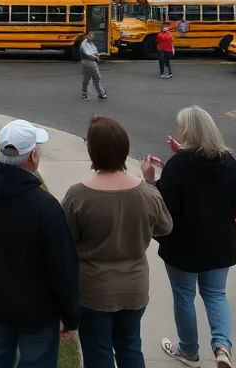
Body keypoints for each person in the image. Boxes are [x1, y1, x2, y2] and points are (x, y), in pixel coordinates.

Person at [0, 120, 80, 368]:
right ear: (32, 157)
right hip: (37, 313)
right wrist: (71, 316)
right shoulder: (44, 207)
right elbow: (63, 268)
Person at [62, 116, 172, 368]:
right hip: (134, 288)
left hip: (94, 290)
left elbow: (66, 241)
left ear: (93, 151)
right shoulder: (148, 193)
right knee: (130, 346)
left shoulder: (78, 196)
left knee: (98, 352)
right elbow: (165, 228)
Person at [144, 106, 236, 368]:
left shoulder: (178, 165)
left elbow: (166, 207)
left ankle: (189, 351)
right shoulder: (228, 161)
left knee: (184, 296)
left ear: (187, 131)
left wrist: (151, 181)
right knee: (215, 294)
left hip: (183, 244)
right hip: (219, 241)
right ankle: (222, 346)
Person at [79, 32, 107, 101]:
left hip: (90, 62)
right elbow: (88, 54)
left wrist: (97, 55)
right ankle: (100, 93)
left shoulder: (90, 43)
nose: (92, 36)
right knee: (92, 78)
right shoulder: (84, 44)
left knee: (90, 78)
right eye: (90, 35)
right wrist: (96, 57)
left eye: (93, 35)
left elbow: (94, 52)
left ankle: (87, 94)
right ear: (86, 36)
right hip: (88, 62)